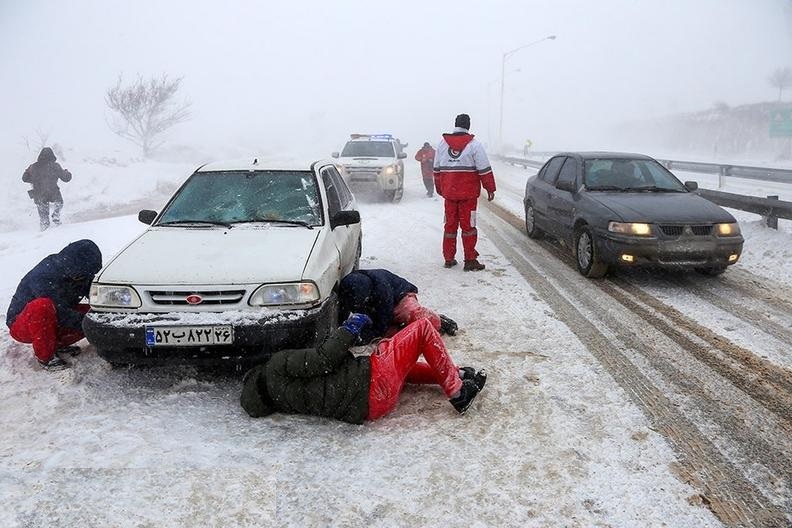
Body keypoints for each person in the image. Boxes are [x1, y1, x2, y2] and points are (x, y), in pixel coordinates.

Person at [240, 314, 487, 423]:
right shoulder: (275, 366)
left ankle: (459, 374)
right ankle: (458, 393)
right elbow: (324, 359)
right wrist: (349, 327)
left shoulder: (278, 398)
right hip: (369, 380)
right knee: (421, 329)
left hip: (371, 406)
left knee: (397, 362)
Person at [6, 240, 102, 371]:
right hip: (22, 325)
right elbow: (59, 311)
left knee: (93, 313)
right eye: (82, 276)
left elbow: (94, 295)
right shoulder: (44, 274)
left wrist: (103, 320)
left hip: (53, 318)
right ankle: (45, 357)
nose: (85, 279)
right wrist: (89, 325)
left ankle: (54, 345)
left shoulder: (82, 272)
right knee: (43, 306)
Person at [433, 114, 496, 271]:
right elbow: (484, 169)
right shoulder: (475, 145)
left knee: (450, 226)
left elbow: (436, 170)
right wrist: (490, 188)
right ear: (468, 126)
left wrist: (441, 189)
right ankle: (470, 260)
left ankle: (449, 258)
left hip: (450, 195)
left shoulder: (442, 145)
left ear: (455, 125)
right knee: (469, 227)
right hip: (468, 196)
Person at [338, 269, 458, 344]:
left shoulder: (381, 288)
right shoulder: (347, 288)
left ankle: (439, 321)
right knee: (393, 336)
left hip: (400, 298)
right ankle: (405, 328)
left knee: (412, 315)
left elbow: (383, 320)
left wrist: (368, 335)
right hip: (378, 308)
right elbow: (343, 310)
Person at [22, 147, 73, 231]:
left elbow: (24, 179)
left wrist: (29, 173)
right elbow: (65, 178)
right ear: (52, 155)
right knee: (59, 203)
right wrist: (67, 173)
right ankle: (56, 215)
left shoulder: (34, 166)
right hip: (53, 192)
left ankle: (44, 231)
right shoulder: (55, 166)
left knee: (44, 218)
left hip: (39, 194)